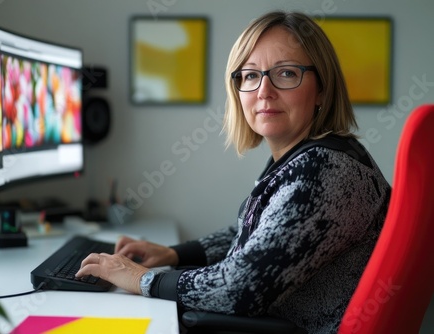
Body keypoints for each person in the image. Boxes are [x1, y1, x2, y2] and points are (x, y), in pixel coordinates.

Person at [76, 11, 391, 334]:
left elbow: (241, 288)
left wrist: (140, 278)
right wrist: (174, 253)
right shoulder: (306, 157)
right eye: (251, 75)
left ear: (322, 88)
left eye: (286, 73)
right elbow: (260, 233)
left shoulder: (325, 172)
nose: (263, 91)